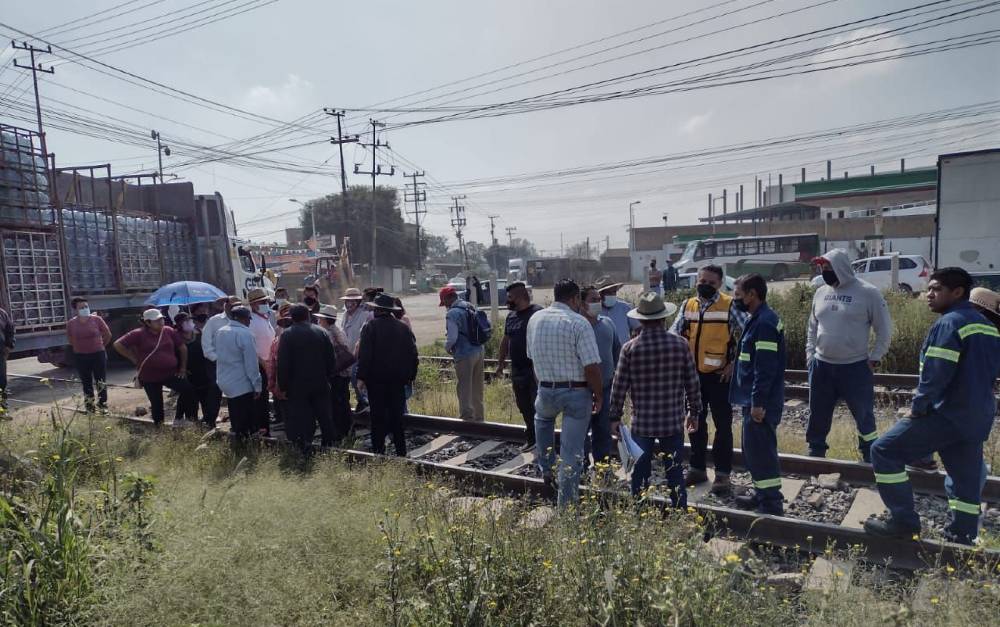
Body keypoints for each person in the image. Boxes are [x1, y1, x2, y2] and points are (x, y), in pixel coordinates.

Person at [865, 268, 1000, 545]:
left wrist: (919, 406)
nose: (928, 294)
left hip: (947, 413)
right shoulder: (989, 328)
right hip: (977, 416)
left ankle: (903, 521)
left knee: (883, 451)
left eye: (936, 289)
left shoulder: (950, 323)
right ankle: (961, 536)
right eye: (929, 288)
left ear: (958, 292)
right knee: (965, 478)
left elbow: (937, 372)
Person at [610, 292, 701, 505]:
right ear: (664, 318)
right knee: (675, 471)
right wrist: (693, 411)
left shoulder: (630, 348)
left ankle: (640, 511)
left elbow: (619, 386)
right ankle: (679, 511)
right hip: (672, 422)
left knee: (640, 472)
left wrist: (614, 417)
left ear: (640, 319)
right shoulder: (680, 344)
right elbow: (692, 382)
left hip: (642, 423)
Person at [805, 250, 893, 462]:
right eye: (822, 268)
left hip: (854, 368)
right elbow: (812, 327)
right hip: (822, 366)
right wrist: (810, 356)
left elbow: (884, 329)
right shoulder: (820, 293)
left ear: (841, 267)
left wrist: (875, 356)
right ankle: (816, 454)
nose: (824, 272)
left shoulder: (868, 293)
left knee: (864, 416)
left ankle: (870, 456)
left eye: (828, 267)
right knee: (817, 414)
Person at [670, 264, 746, 495]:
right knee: (695, 424)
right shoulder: (688, 305)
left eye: (711, 283)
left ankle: (722, 475)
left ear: (720, 284)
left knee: (723, 426)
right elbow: (675, 332)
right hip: (693, 377)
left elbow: (748, 334)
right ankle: (697, 468)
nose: (705, 285)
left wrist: (735, 364)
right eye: (702, 281)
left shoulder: (730, 305)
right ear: (696, 281)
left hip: (720, 377)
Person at [526, 279, 603, 507]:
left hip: (546, 388)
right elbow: (591, 366)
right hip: (575, 392)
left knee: (542, 421)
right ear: (574, 299)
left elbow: (532, 358)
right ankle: (566, 505)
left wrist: (543, 383)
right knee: (571, 452)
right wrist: (598, 394)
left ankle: (547, 469)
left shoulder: (535, 319)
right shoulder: (578, 323)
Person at [729, 274, 786, 515]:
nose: (735, 299)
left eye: (738, 294)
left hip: (760, 403)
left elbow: (765, 368)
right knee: (755, 452)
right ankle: (762, 494)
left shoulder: (763, 323)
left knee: (761, 454)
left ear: (753, 294)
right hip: (753, 400)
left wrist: (758, 403)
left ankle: (771, 504)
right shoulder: (759, 318)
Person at [357, 293, 420, 456]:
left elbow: (365, 355)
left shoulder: (370, 327)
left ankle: (379, 451)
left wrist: (361, 377)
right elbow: (413, 354)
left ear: (378, 310)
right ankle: (401, 451)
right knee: (397, 417)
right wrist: (410, 376)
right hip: (398, 381)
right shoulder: (403, 327)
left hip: (376, 381)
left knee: (377, 417)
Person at [114, 308, 197, 426]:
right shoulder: (138, 334)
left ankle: (190, 419)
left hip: (170, 372)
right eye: (157, 321)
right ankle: (159, 427)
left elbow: (182, 348)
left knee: (189, 390)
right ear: (147, 322)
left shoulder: (168, 331)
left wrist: (182, 368)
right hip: (149, 376)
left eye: (161, 319)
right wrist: (133, 359)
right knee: (157, 403)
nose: (161, 322)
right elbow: (118, 344)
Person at [277, 304, 338, 454]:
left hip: (297, 386)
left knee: (303, 418)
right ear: (308, 316)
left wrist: (283, 386)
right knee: (325, 416)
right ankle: (329, 447)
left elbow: (283, 363)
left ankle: (305, 449)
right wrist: (327, 376)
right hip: (320, 382)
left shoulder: (287, 335)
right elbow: (331, 359)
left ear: (292, 317)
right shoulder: (321, 332)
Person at [495, 281, 543, 451]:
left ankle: (542, 441)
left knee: (537, 405)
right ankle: (531, 438)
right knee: (523, 406)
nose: (507, 301)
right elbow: (505, 340)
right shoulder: (511, 316)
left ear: (521, 297)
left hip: (535, 370)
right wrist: (500, 363)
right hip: (517, 369)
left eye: (510, 298)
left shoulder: (538, 313)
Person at [580, 285, 621, 466]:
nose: (599, 302)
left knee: (603, 430)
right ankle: (581, 466)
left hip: (606, 387)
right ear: (581, 303)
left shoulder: (607, 323)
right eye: (593, 300)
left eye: (599, 299)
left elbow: (616, 351)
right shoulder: (576, 326)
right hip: (582, 389)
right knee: (581, 430)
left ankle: (602, 466)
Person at [214, 306, 262, 440]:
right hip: (242, 382)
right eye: (248, 319)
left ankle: (237, 439)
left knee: (235, 414)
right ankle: (244, 446)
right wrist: (257, 385)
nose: (249, 322)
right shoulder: (245, 334)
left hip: (225, 380)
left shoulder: (221, 331)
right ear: (243, 318)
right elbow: (251, 363)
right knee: (246, 418)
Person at [441, 285, 486, 422]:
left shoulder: (452, 313)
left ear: (449, 299)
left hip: (464, 353)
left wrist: (447, 347)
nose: (445, 306)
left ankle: (467, 419)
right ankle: (479, 418)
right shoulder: (470, 306)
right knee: (477, 388)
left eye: (444, 302)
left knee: (464, 388)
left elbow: (452, 337)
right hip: (479, 350)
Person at [314, 304, 353, 443]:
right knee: (344, 402)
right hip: (345, 372)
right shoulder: (338, 330)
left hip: (336, 373)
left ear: (325, 320)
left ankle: (339, 432)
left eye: (320, 319)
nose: (319, 321)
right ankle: (347, 430)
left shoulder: (328, 333)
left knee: (335, 404)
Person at [65, 297, 112, 413]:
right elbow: (70, 340)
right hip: (81, 356)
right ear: (75, 309)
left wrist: (101, 346)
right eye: (81, 307)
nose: (85, 309)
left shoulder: (97, 319)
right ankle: (90, 406)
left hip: (98, 354)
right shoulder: (71, 323)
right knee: (86, 382)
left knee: (100, 380)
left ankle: (102, 404)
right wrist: (80, 347)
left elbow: (108, 334)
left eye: (86, 306)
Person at [201, 295, 241, 426]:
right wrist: (217, 359)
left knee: (236, 390)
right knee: (215, 389)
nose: (234, 308)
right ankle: (210, 420)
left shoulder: (242, 319)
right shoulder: (214, 321)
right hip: (216, 362)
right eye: (231, 305)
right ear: (226, 305)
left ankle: (236, 421)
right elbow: (206, 344)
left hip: (236, 362)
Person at [173, 312, 215, 427]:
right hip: (187, 373)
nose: (189, 322)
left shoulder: (200, 334)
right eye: (185, 321)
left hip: (203, 370)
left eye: (189, 320)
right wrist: (180, 368)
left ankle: (208, 420)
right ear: (179, 324)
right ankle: (190, 420)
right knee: (190, 398)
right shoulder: (176, 338)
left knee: (206, 397)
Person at [338, 287, 373, 413]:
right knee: (350, 382)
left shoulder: (365, 315)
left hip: (359, 355)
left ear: (358, 302)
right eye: (347, 301)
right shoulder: (345, 316)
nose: (349, 303)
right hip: (347, 356)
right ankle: (361, 402)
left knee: (358, 380)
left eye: (353, 301)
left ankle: (365, 403)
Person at [248, 288, 276, 435]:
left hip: (269, 364)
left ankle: (264, 428)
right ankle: (262, 430)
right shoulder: (251, 321)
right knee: (260, 400)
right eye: (262, 302)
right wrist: (263, 363)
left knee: (264, 400)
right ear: (253, 305)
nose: (266, 304)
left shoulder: (265, 318)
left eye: (266, 301)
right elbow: (251, 348)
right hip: (260, 366)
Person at [595, 276, 640, 346]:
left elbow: (638, 328)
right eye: (608, 293)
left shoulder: (624, 308)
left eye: (614, 292)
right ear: (600, 294)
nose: (612, 295)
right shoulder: (595, 310)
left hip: (624, 351)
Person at [0, 305, 14, 413]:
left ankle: (3, 410)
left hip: (0, 353)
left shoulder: (2, 314)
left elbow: (10, 330)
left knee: (1, 382)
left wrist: (9, 346)